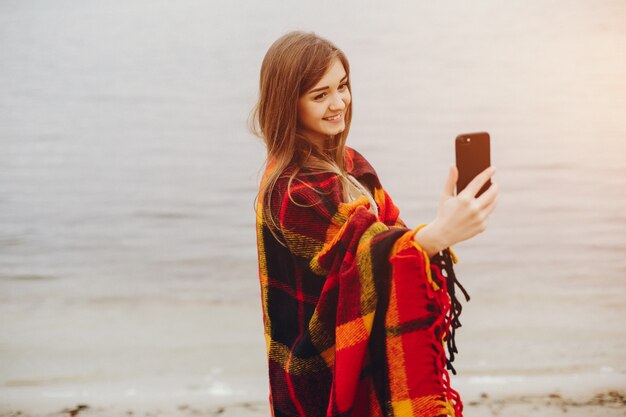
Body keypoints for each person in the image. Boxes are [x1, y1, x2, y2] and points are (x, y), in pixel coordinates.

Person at [249, 30, 498, 417]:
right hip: (319, 371)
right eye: (320, 95)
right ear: (288, 104)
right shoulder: (292, 191)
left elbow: (386, 239)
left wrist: (435, 230)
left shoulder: (352, 165)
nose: (338, 104)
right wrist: (437, 235)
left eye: (342, 86)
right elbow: (362, 255)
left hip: (366, 362)